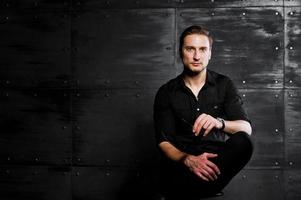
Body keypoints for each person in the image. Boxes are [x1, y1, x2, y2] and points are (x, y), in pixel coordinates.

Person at [153, 25, 253, 200]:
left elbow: (246, 128)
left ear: (210, 53)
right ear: (180, 52)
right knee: (175, 170)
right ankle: (196, 188)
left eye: (202, 49)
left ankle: (194, 189)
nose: (197, 56)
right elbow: (164, 142)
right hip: (182, 166)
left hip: (215, 166)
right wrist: (188, 159)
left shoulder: (224, 84)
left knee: (244, 141)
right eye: (190, 49)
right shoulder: (166, 92)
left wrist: (219, 123)